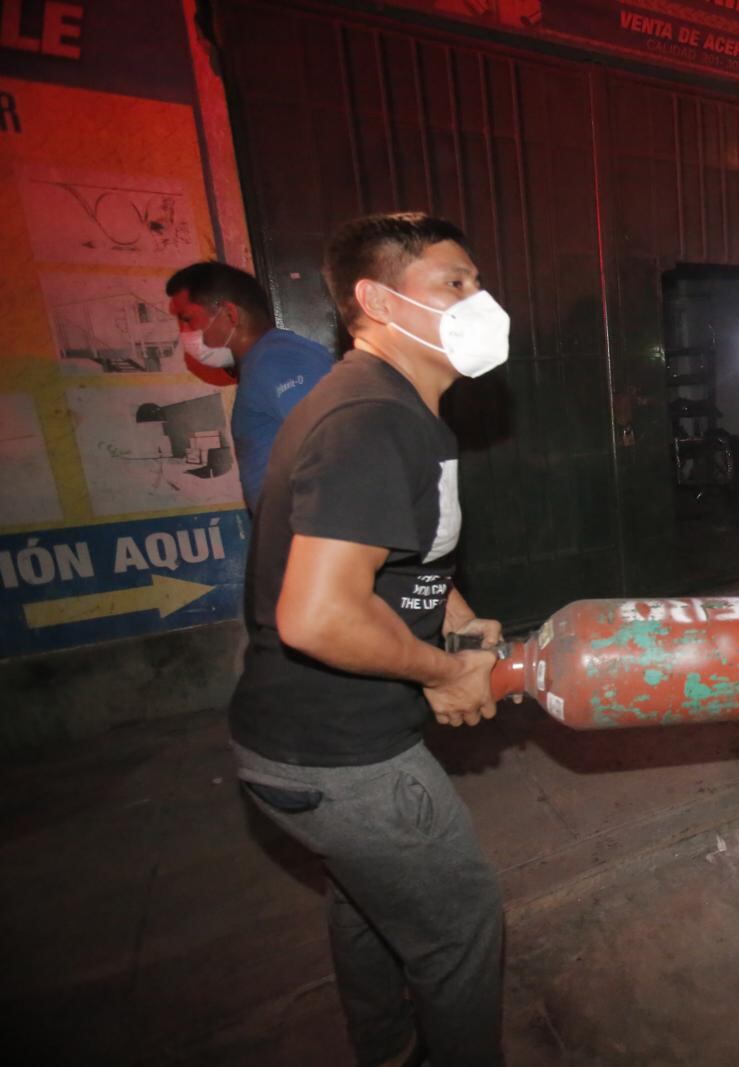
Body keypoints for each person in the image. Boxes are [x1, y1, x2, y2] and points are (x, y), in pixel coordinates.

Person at [228, 213, 511, 1066]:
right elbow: (318, 616)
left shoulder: (403, 409)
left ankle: (385, 1051)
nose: (479, 300)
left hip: (302, 748)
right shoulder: (369, 419)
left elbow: (398, 547)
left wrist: (452, 612)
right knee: (460, 931)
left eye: (476, 281)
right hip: (344, 757)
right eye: (451, 283)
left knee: (372, 910)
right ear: (375, 300)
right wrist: (442, 673)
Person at [166, 261, 333, 513]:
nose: (185, 333)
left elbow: (335, 445)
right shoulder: (264, 362)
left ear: (230, 314)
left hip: (315, 538)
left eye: (188, 319)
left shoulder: (278, 359)